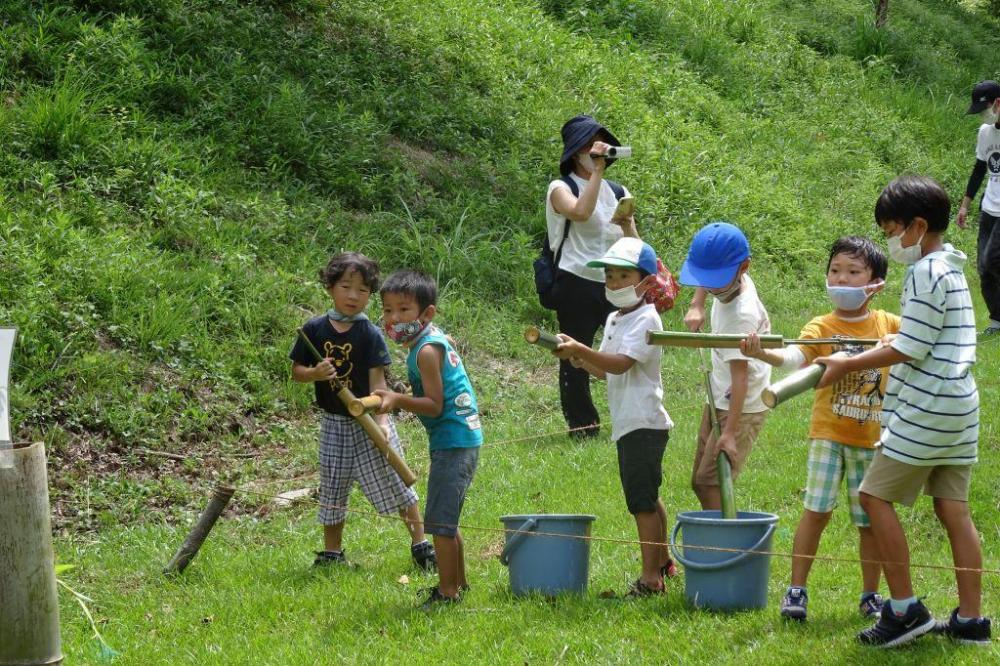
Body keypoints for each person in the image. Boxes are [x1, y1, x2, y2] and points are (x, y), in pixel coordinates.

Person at [816, 176, 990, 648]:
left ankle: (903, 610)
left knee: (873, 498)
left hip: (927, 407)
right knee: (954, 509)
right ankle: (971, 620)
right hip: (960, 407)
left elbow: (912, 348)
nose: (891, 240)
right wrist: (896, 340)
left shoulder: (925, 272)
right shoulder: (952, 267)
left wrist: (846, 361)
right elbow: (931, 334)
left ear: (917, 226)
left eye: (892, 230)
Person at [741, 236, 898, 622]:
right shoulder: (821, 325)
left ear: (875, 283)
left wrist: (899, 341)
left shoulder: (889, 324)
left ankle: (870, 595)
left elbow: (918, 346)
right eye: (835, 271)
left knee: (869, 522)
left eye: (853, 272)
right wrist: (763, 353)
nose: (841, 279)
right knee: (816, 511)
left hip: (873, 439)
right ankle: (797, 589)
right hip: (828, 436)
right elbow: (795, 356)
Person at [289, 252, 435, 570]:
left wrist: (382, 422)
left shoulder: (370, 333)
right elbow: (297, 371)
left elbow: (378, 383)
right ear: (330, 287)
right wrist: (315, 373)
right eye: (346, 286)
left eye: (363, 290)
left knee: (397, 479)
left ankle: (421, 545)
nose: (353, 296)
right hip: (334, 423)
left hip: (369, 419)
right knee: (333, 485)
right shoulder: (313, 329)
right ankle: (332, 552)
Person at [552, 237, 676, 595]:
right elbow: (605, 370)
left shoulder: (648, 318)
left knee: (641, 502)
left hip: (644, 421)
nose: (615, 283)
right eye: (610, 276)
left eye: (624, 275)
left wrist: (582, 348)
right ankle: (664, 562)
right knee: (648, 496)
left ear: (647, 282)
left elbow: (622, 364)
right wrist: (581, 359)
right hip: (628, 423)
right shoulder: (613, 319)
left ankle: (650, 578)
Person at [375, 270, 483, 609]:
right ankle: (459, 583)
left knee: (439, 522)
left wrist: (398, 400)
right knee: (445, 519)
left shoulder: (424, 351)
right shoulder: (431, 339)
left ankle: (447, 592)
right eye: (389, 310)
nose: (394, 318)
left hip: (453, 440)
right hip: (458, 437)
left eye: (404, 310)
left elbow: (435, 406)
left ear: (427, 313)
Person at [546, 115, 638, 438]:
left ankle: (629, 416)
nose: (596, 150)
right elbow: (581, 212)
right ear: (575, 152)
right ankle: (583, 427)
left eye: (600, 144)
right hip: (576, 279)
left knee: (622, 351)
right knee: (574, 353)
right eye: (589, 145)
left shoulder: (617, 191)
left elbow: (634, 247)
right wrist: (597, 171)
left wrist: (627, 225)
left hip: (614, 283)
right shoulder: (561, 188)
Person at [678, 222, 771, 510]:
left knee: (711, 483)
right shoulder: (733, 279)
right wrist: (697, 303)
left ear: (744, 267)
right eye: (702, 277)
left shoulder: (740, 317)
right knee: (701, 481)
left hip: (741, 407)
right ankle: (717, 543)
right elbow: (706, 280)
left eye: (714, 278)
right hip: (721, 394)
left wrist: (730, 433)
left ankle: (725, 548)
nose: (707, 285)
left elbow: (741, 379)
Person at [956, 79, 1000, 337]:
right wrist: (965, 206)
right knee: (984, 269)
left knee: (993, 259)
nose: (983, 116)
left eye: (985, 109)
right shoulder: (985, 133)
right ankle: (997, 321)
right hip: (989, 208)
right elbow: (979, 170)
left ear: (997, 103)